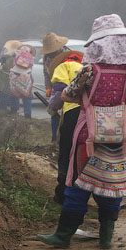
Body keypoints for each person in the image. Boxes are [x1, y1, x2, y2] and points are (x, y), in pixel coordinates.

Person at [38, 14, 126, 250]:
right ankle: (106, 237)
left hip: (89, 133)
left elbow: (68, 94)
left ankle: (63, 235)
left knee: (78, 181)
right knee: (112, 180)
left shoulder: (89, 71)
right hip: (121, 132)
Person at [45, 39, 84, 203]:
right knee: (82, 152)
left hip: (71, 113)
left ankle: (62, 192)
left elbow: (60, 90)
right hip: (86, 114)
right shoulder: (83, 68)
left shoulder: (62, 67)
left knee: (66, 152)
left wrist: (52, 107)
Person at [40, 32, 74, 142]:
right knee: (54, 112)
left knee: (67, 113)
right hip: (56, 86)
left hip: (70, 86)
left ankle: (67, 138)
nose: (50, 54)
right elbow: (46, 73)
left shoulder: (68, 55)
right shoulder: (46, 57)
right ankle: (54, 138)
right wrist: (48, 87)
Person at [0, 40, 30, 116]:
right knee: (11, 95)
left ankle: (6, 111)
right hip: (11, 78)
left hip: (9, 78)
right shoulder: (11, 56)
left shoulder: (10, 55)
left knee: (7, 96)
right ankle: (10, 111)